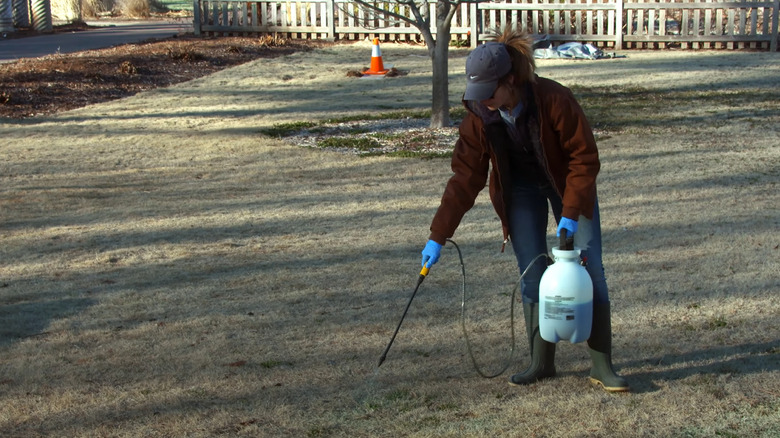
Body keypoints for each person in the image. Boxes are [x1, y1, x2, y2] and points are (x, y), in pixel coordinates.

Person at [420, 27, 629, 392]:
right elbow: (465, 178)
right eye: (478, 94)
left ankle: (601, 365)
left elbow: (584, 158)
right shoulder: (479, 118)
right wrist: (438, 236)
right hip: (521, 191)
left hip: (568, 185)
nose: (484, 101)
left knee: (589, 267)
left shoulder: (554, 100)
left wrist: (570, 210)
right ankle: (541, 362)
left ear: (511, 80)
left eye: (490, 92)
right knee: (532, 271)